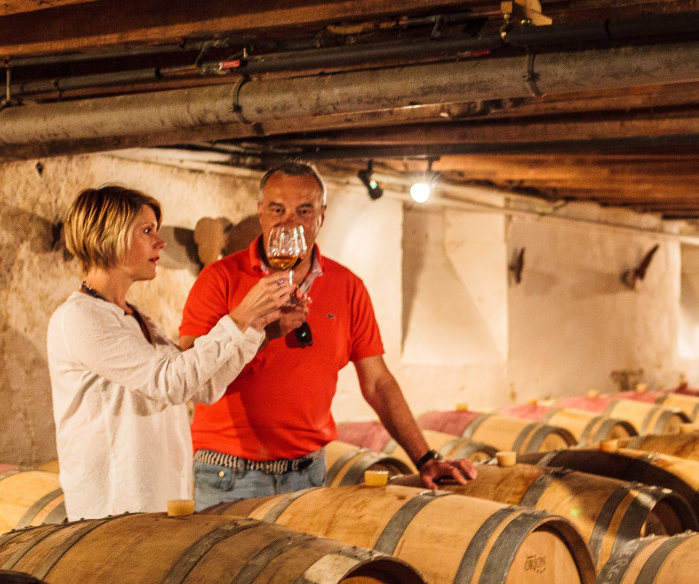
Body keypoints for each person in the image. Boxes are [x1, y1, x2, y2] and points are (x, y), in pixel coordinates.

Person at [179, 162, 475, 508]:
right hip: (229, 475)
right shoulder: (219, 279)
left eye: (304, 210)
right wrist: (264, 333)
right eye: (277, 209)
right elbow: (190, 371)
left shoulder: (347, 286)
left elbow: (377, 382)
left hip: (309, 473)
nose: (289, 222)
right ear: (260, 212)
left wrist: (425, 459)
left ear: (322, 215)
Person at [48, 185, 293, 520]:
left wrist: (256, 326)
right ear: (110, 237)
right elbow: (170, 383)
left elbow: (202, 387)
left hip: (158, 504)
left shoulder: (133, 317)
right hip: (113, 514)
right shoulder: (80, 318)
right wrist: (239, 317)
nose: (160, 243)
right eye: (147, 231)